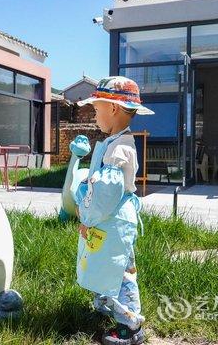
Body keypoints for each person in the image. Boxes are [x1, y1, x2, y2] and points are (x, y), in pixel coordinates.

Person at [73, 77, 154, 345]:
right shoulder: (116, 142)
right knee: (106, 263)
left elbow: (106, 194)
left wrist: (87, 215)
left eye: (96, 110)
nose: (94, 115)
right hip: (110, 218)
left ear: (114, 109)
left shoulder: (119, 149)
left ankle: (130, 325)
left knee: (119, 269)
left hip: (112, 219)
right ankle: (108, 305)